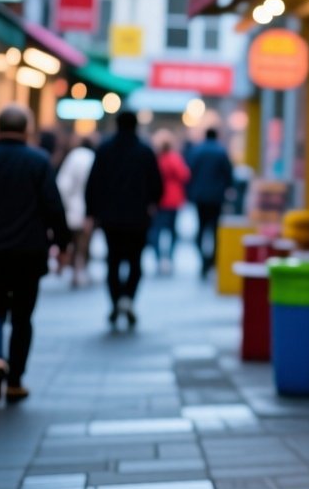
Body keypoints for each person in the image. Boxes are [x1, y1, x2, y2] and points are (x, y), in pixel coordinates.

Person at [0, 105, 71, 406]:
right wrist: (62, 245)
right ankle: (15, 381)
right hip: (29, 252)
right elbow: (54, 207)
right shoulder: (39, 161)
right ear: (27, 130)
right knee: (22, 317)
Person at [86, 110, 161, 328]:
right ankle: (128, 298)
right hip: (138, 217)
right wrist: (152, 204)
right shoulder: (145, 151)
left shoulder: (105, 149)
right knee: (136, 261)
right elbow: (157, 184)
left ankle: (116, 300)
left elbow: (93, 183)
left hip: (110, 218)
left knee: (113, 261)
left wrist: (91, 212)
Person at [187, 127, 234, 279]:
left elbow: (189, 172)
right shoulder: (221, 151)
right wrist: (228, 189)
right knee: (215, 230)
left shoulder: (197, 151)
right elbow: (228, 174)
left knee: (201, 228)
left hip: (200, 197)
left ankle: (203, 260)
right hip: (216, 197)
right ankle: (212, 260)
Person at [55, 136, 97, 289]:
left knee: (73, 241)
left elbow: (63, 185)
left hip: (72, 207)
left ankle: (74, 271)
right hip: (88, 209)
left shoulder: (73, 158)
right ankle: (81, 269)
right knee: (84, 243)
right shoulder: (93, 158)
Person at [148, 131, 190, 275]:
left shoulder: (155, 159)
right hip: (173, 199)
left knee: (156, 230)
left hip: (158, 199)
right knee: (172, 230)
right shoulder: (174, 158)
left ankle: (159, 258)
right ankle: (169, 258)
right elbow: (184, 175)